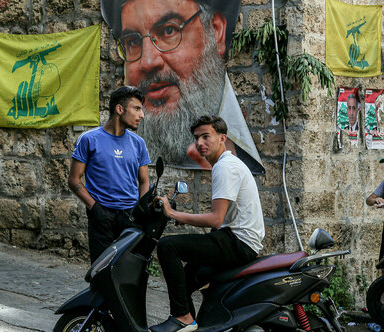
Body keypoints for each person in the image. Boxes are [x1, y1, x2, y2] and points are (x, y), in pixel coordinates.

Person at [101, 0, 264, 173]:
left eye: (168, 30)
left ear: (215, 31)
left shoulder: (232, 164)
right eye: (133, 41)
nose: (148, 62)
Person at [151, 115, 264, 332]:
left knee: (168, 246)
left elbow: (216, 219)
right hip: (235, 239)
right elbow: (221, 221)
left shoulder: (225, 167)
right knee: (185, 278)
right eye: (196, 138)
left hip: (239, 242)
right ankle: (191, 325)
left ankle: (182, 317)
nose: (200, 143)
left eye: (206, 137)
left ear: (222, 138)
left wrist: (173, 213)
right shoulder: (226, 164)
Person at [68, 86, 151, 263]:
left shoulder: (138, 143)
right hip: (101, 216)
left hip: (130, 217)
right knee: (101, 272)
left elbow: (144, 181)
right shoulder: (89, 139)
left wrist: (141, 211)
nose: (141, 115)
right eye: (137, 109)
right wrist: (95, 208)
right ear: (119, 109)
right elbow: (74, 180)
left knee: (129, 270)